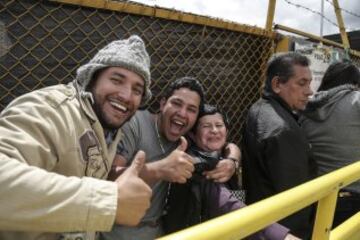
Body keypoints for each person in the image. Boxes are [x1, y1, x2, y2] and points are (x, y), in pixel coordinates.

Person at [0, 35, 152, 240]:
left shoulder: (109, 128)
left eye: (137, 89)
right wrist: (106, 202)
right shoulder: (51, 111)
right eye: (116, 80)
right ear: (92, 78)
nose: (126, 95)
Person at [100, 77, 241, 240]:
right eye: (177, 103)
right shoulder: (136, 124)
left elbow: (226, 145)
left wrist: (232, 161)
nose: (182, 113)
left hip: (160, 230)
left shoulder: (187, 137)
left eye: (191, 109)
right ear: (162, 103)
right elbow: (106, 178)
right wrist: (159, 170)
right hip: (118, 232)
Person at [164, 104, 301, 240]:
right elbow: (228, 205)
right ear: (193, 135)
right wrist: (282, 236)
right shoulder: (196, 166)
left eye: (219, 125)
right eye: (206, 126)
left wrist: (233, 159)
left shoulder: (224, 157)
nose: (214, 130)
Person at [242, 52, 317, 239]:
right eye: (302, 83)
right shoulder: (283, 130)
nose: (310, 91)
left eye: (309, 83)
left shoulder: (259, 108)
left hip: (264, 225)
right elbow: (296, 203)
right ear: (277, 84)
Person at [300, 60, 360, 228]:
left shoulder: (307, 106)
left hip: (319, 197)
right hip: (353, 196)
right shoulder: (356, 101)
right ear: (355, 82)